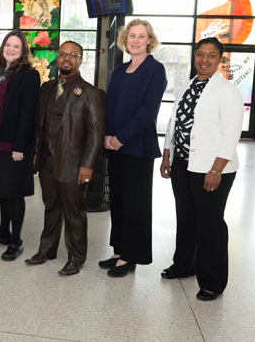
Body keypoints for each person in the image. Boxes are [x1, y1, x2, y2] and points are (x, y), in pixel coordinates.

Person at [160, 37, 243, 301]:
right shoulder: (185, 86)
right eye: (200, 54)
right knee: (186, 218)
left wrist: (216, 169)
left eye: (210, 55)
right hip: (183, 163)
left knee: (210, 223)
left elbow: (231, 133)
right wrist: (167, 155)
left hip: (212, 167)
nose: (203, 60)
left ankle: (212, 282)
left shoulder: (227, 90)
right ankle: (184, 265)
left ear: (220, 59)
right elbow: (174, 123)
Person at [25, 41, 106, 275]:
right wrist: (36, 154)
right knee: (51, 206)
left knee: (74, 212)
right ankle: (47, 250)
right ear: (57, 59)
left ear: (81, 59)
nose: (66, 59)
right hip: (47, 161)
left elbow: (95, 135)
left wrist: (87, 165)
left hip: (74, 164)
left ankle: (76, 257)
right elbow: (39, 125)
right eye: (62, 54)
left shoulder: (91, 94)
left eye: (72, 55)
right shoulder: (46, 88)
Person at [99, 18, 167, 277]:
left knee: (135, 203)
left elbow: (148, 112)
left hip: (137, 147)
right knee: (117, 200)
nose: (136, 40)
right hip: (115, 146)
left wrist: (120, 138)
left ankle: (130, 256)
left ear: (149, 40)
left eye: (141, 36)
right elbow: (110, 107)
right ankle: (119, 249)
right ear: (125, 40)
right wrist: (107, 135)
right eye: (132, 36)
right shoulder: (119, 70)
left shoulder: (155, 70)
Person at [0, 30, 40, 261]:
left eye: (16, 47)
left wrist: (20, 147)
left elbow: (27, 114)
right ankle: (3, 232)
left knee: (15, 193)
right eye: (7, 45)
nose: (11, 49)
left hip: (14, 145)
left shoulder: (29, 75)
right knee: (3, 190)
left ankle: (16, 240)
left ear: (23, 51)